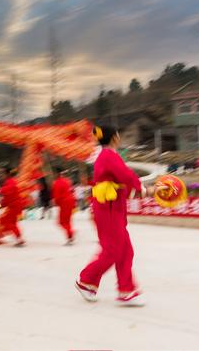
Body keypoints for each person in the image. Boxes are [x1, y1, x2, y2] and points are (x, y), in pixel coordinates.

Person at [75, 126, 159, 307]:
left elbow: (122, 183)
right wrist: (146, 189)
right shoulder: (109, 156)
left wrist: (146, 192)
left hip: (111, 207)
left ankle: (125, 290)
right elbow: (126, 176)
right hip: (109, 209)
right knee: (113, 250)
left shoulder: (106, 156)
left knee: (125, 250)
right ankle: (86, 280)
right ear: (115, 138)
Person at [0, 167, 26, 246]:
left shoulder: (11, 182)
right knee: (11, 222)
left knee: (6, 221)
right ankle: (19, 238)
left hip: (14, 206)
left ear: (7, 174)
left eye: (2, 174)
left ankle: (19, 238)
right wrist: (2, 204)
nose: (1, 176)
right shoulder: (10, 181)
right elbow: (7, 197)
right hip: (14, 205)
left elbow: (8, 190)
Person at [52, 168, 76, 245]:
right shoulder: (67, 181)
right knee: (67, 221)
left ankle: (70, 234)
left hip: (64, 203)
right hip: (70, 201)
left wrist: (56, 203)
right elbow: (72, 191)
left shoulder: (57, 183)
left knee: (61, 222)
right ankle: (70, 236)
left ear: (56, 174)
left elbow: (57, 195)